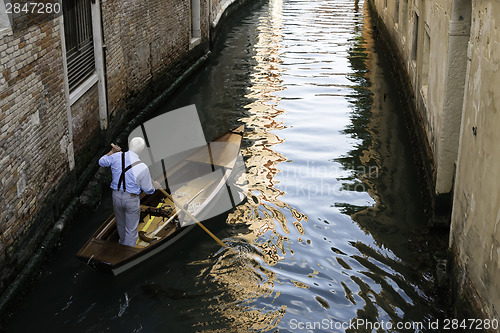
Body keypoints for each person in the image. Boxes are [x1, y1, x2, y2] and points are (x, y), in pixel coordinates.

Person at [98, 137, 160, 247]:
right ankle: (126, 251)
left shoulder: (116, 156)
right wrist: (154, 186)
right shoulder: (142, 167)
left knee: (121, 225)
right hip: (131, 199)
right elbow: (148, 190)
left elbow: (101, 162)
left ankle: (122, 243)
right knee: (131, 229)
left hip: (116, 196)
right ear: (141, 150)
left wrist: (112, 152)